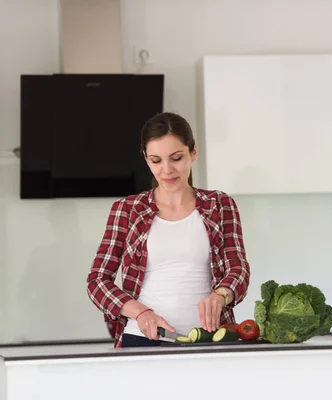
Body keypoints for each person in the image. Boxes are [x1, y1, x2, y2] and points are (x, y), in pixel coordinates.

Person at [86, 112, 251, 348]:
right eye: (156, 160)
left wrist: (221, 294)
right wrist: (141, 313)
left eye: (176, 158)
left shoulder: (220, 204)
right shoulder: (127, 209)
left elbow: (239, 269)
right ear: (146, 159)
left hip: (210, 337)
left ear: (193, 152)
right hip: (143, 338)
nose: (167, 170)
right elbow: (98, 280)